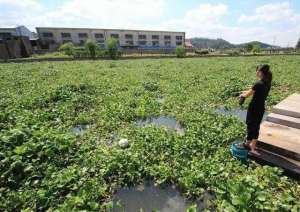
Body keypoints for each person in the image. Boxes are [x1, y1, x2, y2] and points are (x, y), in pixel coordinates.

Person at [240, 64, 273, 154]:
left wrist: (242, 95)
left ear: (261, 72)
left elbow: (247, 95)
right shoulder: (267, 83)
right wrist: (243, 92)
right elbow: (253, 91)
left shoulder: (258, 84)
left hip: (253, 108)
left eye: (258, 70)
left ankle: (247, 145)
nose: (256, 72)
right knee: (256, 126)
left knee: (250, 126)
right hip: (261, 108)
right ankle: (253, 147)